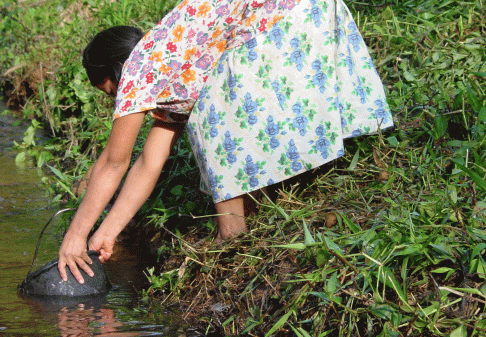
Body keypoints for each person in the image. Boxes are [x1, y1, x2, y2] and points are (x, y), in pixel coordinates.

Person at [58, 0, 394, 283]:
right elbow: (150, 161)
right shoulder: (169, 65)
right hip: (312, 11)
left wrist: (75, 236)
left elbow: (114, 162)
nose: (115, 102)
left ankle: (231, 233)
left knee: (209, 118)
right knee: (214, 105)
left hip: (285, 18)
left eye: (108, 93)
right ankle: (259, 208)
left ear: (111, 75)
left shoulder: (137, 71)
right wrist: (108, 230)